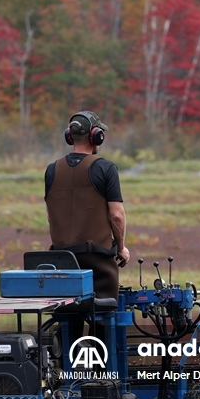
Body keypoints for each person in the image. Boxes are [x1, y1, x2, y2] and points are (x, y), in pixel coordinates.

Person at [44, 111, 129, 300]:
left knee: (68, 317)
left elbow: (51, 216)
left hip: (61, 260)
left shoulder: (52, 170)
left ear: (70, 136)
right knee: (103, 318)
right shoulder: (105, 168)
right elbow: (116, 215)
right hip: (97, 260)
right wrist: (121, 248)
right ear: (96, 136)